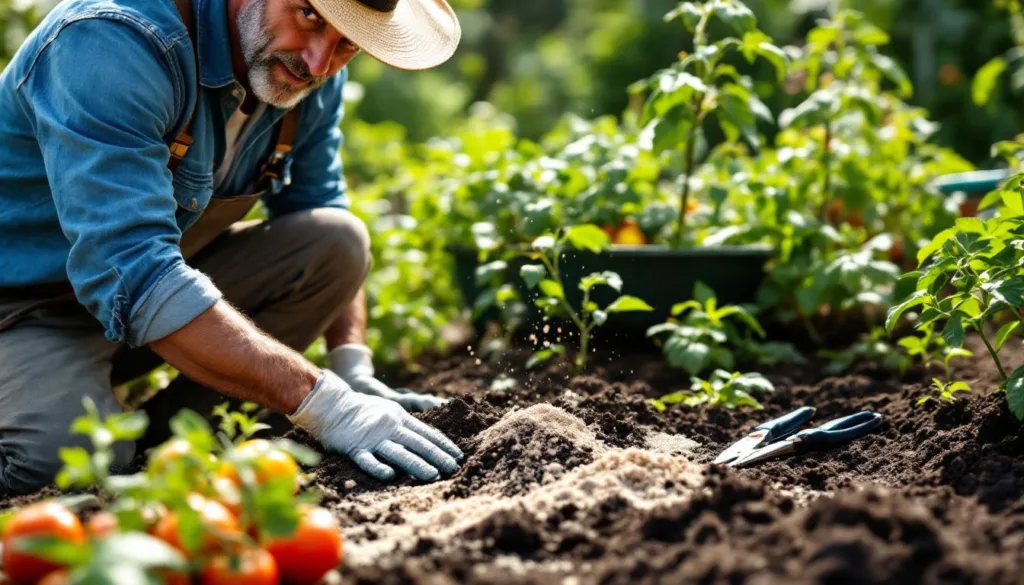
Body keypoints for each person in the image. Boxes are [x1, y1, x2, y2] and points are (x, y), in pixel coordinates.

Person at [0, 0, 464, 495]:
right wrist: (329, 407)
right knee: (65, 465)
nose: (318, 63)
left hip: (141, 300)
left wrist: (352, 367)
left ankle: (167, 445)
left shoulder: (303, 71)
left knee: (336, 244)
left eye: (347, 42)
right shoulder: (112, 42)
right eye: (309, 15)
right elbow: (134, 271)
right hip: (23, 310)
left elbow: (318, 202)